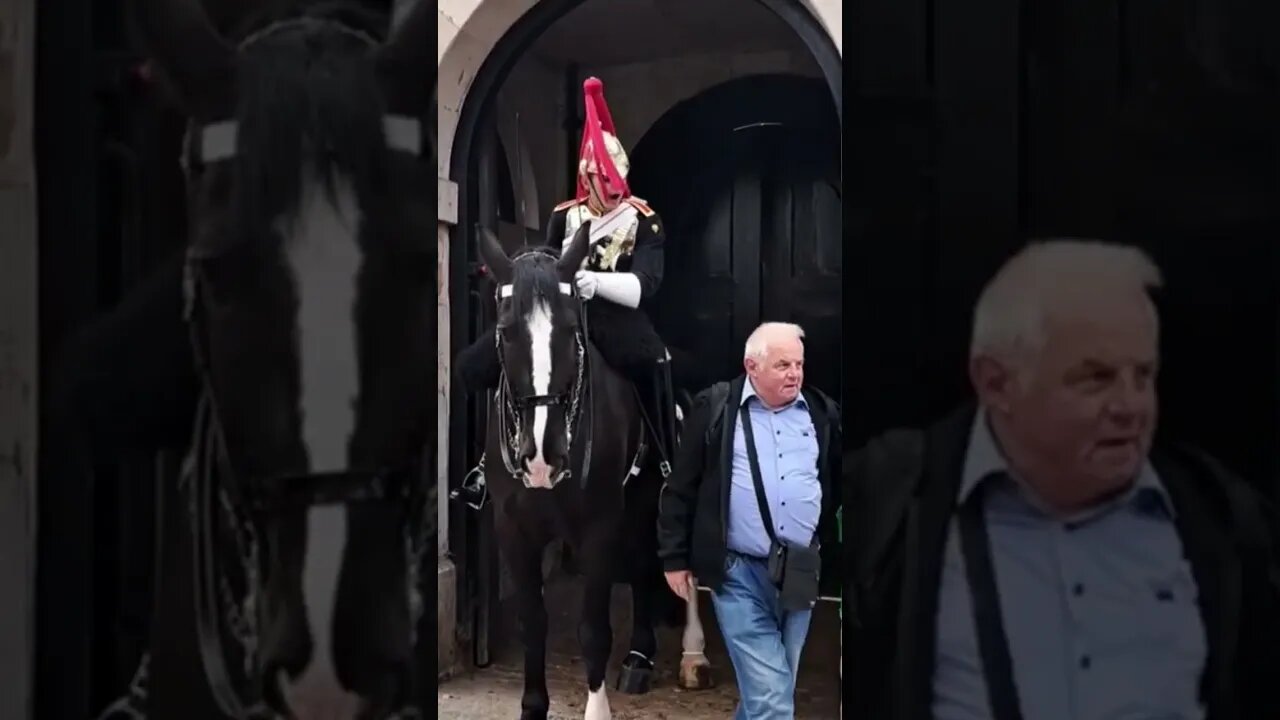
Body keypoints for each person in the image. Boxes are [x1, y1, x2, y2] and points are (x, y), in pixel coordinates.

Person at [846, 240, 1280, 719]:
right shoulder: (892, 499)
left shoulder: (1222, 517)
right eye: (1096, 378)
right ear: (996, 383)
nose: (1131, 407)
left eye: (1144, 375)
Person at [452, 76, 680, 506]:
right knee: (480, 364)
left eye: (619, 181)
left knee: (654, 360)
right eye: (606, 182)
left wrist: (597, 283)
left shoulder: (643, 219)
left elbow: (646, 284)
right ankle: (485, 466)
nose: (615, 191)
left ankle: (667, 460)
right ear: (587, 178)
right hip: (558, 311)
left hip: (615, 314)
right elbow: (542, 262)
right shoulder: (563, 215)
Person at [657, 321, 841, 719]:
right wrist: (674, 557)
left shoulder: (822, 415)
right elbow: (680, 488)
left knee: (773, 690)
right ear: (751, 366)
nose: (794, 373)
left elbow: (838, 485)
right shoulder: (717, 410)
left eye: (799, 364)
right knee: (773, 699)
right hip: (738, 572)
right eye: (782, 365)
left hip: (800, 570)